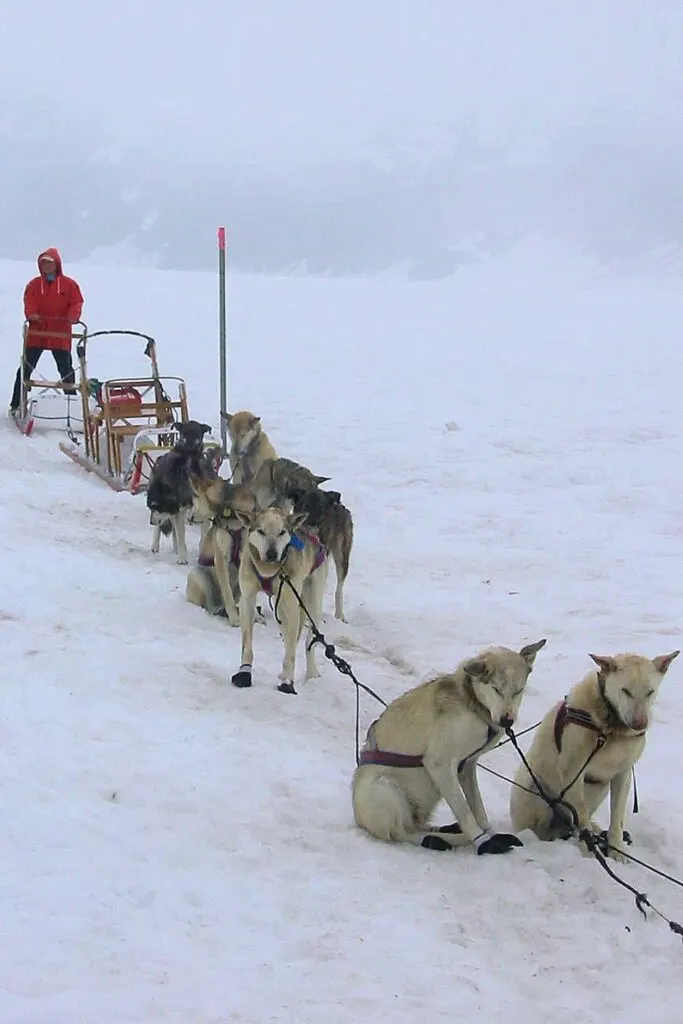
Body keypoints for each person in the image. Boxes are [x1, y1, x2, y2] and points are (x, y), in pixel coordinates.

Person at [9, 248, 84, 416]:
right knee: (25, 369)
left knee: (66, 371)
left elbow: (76, 302)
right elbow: (29, 301)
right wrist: (32, 315)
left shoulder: (69, 285)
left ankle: (71, 406)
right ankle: (16, 405)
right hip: (38, 333)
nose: (46, 266)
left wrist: (73, 316)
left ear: (57, 264)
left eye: (49, 262)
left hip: (60, 334)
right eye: (43, 263)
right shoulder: (34, 285)